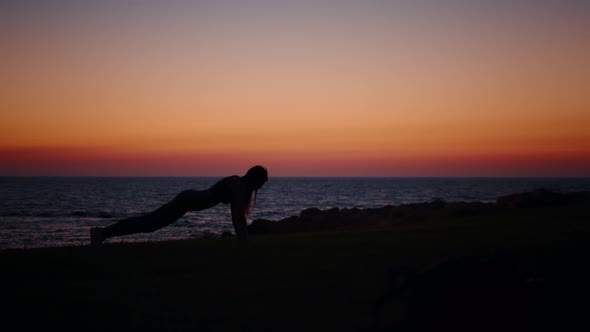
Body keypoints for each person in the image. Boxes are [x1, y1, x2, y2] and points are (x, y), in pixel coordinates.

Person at [90, 165, 268, 245]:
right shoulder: (238, 185)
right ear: (254, 178)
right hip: (187, 201)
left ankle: (103, 233)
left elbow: (238, 216)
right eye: (261, 182)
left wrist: (243, 237)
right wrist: (243, 239)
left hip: (187, 201)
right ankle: (102, 233)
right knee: (149, 223)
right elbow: (236, 215)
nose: (261, 187)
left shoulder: (240, 184)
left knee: (149, 222)